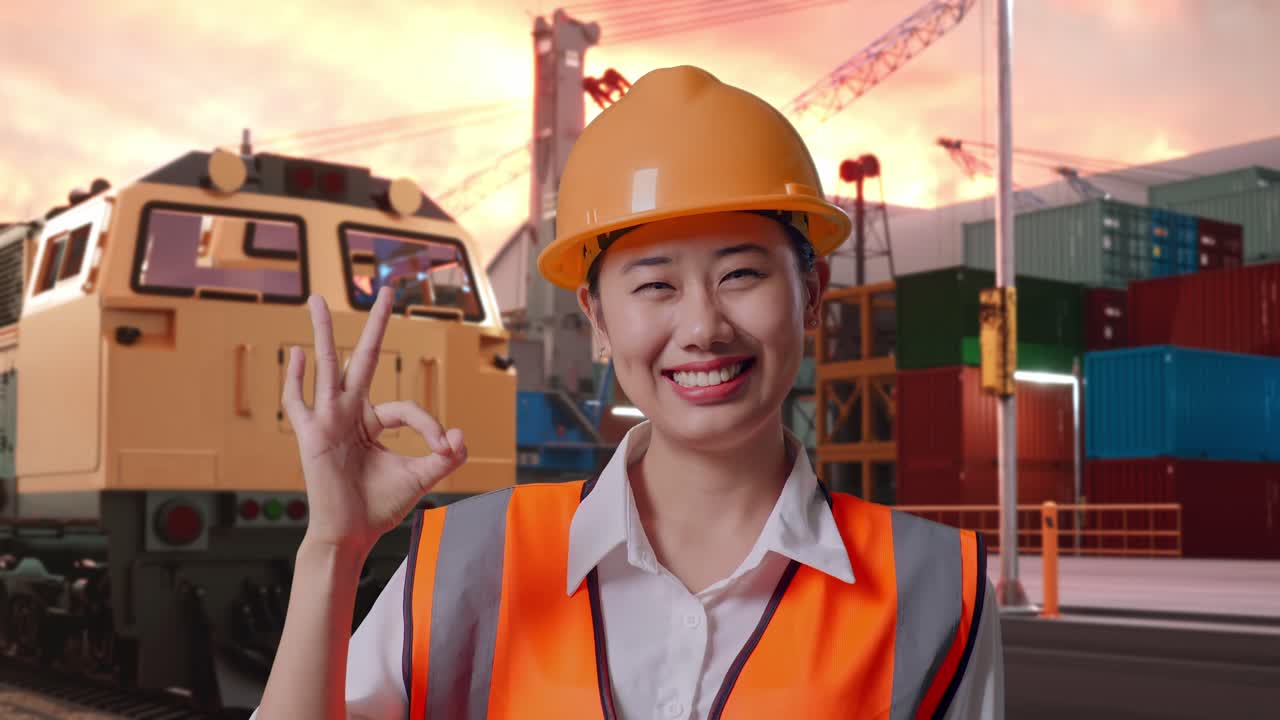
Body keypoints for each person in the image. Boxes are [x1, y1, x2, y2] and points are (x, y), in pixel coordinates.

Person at [251, 65, 1003, 720]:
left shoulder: (939, 589)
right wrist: (333, 551)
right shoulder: (466, 562)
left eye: (741, 274)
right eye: (655, 286)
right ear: (597, 319)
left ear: (811, 294)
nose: (704, 327)